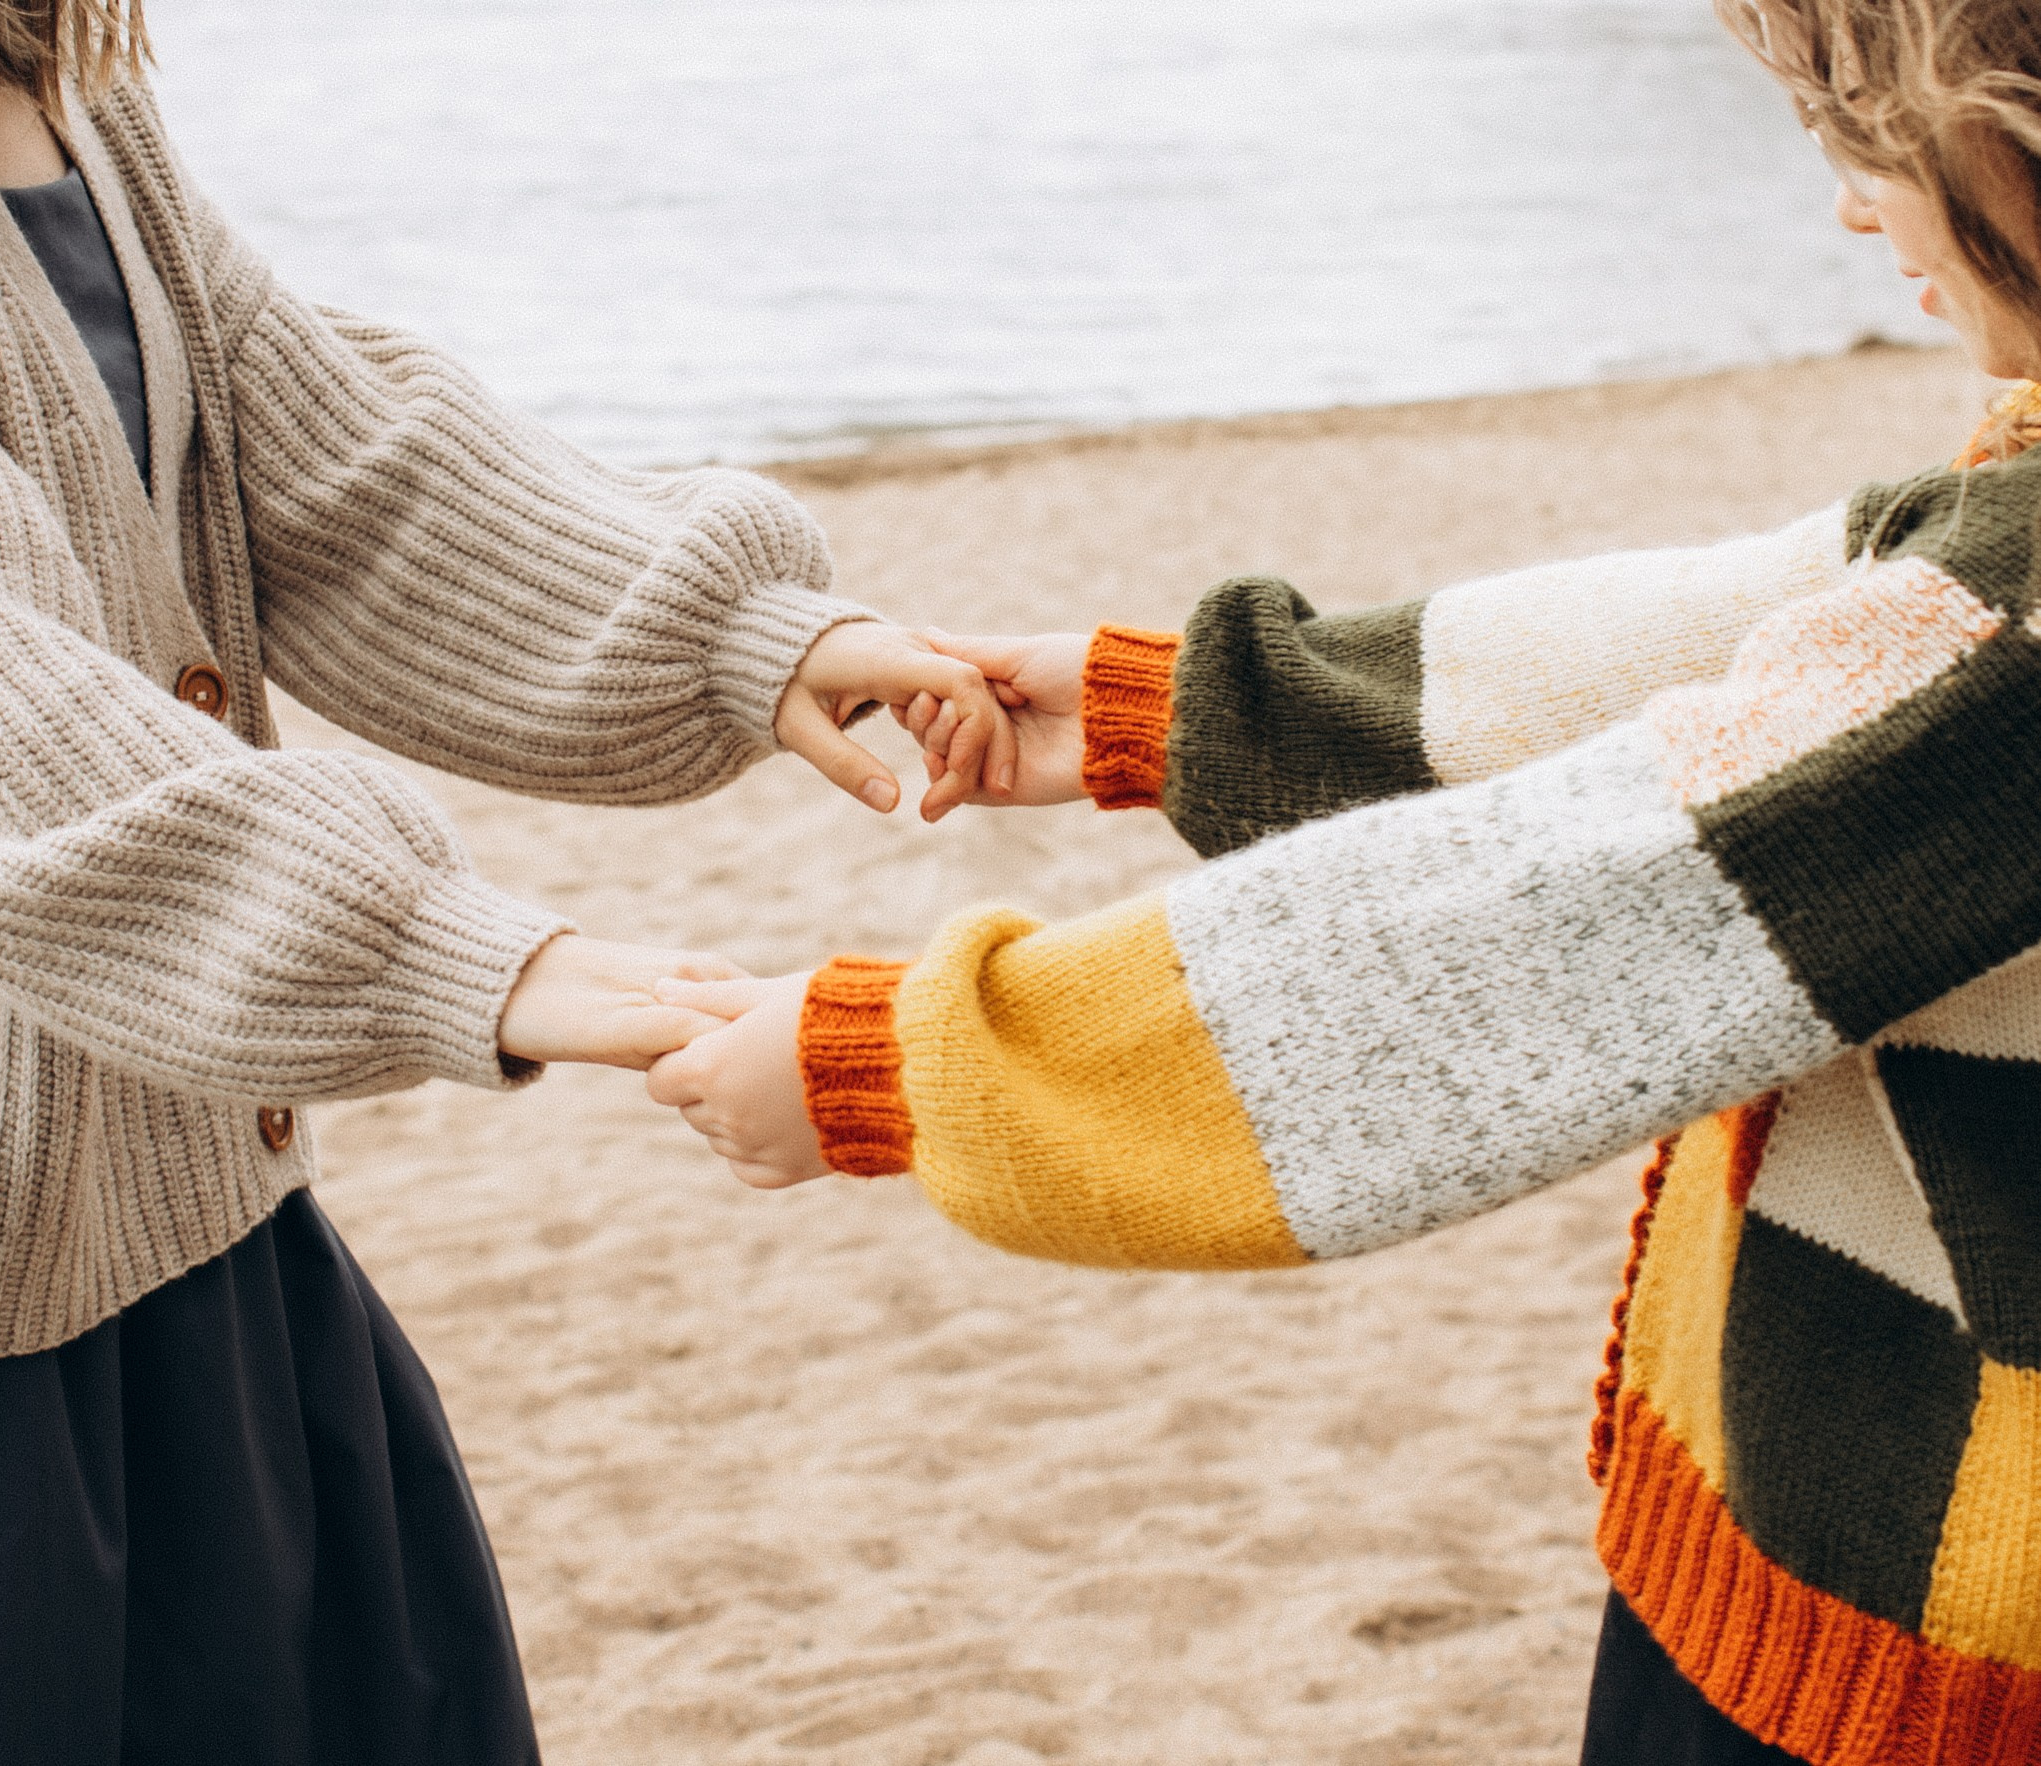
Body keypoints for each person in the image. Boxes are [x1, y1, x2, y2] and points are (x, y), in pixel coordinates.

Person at [649, 2, 2041, 1759]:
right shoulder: (1999, 556)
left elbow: (1536, 932)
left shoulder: (2018, 627)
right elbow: (1744, 636)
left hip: (1918, 1639)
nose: (1852, 209)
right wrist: (1182, 713)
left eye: (1874, 138)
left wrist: (898, 1071)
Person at [0, 0, 1016, 1760]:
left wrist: (745, 640)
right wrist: (444, 950)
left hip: (194, 1208)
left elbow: (330, 468)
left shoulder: (48, 71)